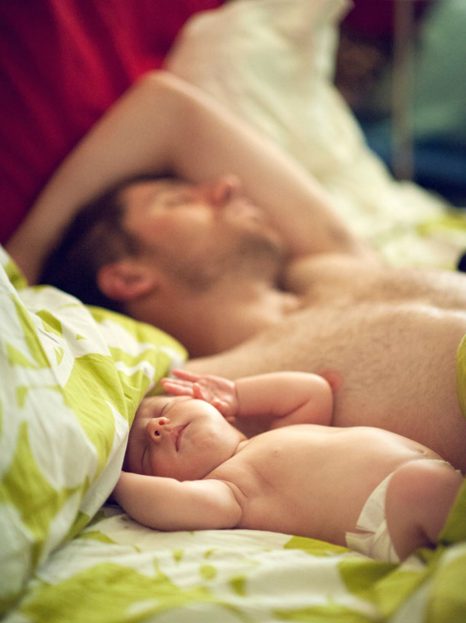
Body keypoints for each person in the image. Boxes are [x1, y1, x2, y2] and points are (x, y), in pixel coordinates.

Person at [6, 72, 466, 472]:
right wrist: (19, 284)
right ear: (128, 277)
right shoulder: (198, 395)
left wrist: (20, 258)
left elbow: (167, 108)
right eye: (178, 199)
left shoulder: (329, 263)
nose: (225, 185)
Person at [113, 368, 463, 563]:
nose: (156, 429)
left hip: (435, 483)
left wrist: (239, 394)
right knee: (421, 486)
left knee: (426, 485)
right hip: (396, 515)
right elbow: (173, 502)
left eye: (163, 412)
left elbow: (313, 391)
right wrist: (113, 479)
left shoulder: (274, 434)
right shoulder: (231, 489)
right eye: (145, 451)